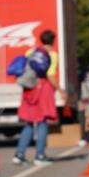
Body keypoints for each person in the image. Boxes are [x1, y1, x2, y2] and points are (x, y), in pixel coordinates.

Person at [14, 29, 58, 166]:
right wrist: (60, 89)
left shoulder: (31, 52)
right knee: (42, 121)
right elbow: (50, 75)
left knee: (28, 122)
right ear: (53, 40)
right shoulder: (52, 54)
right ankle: (40, 155)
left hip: (29, 89)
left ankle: (19, 154)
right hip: (42, 89)